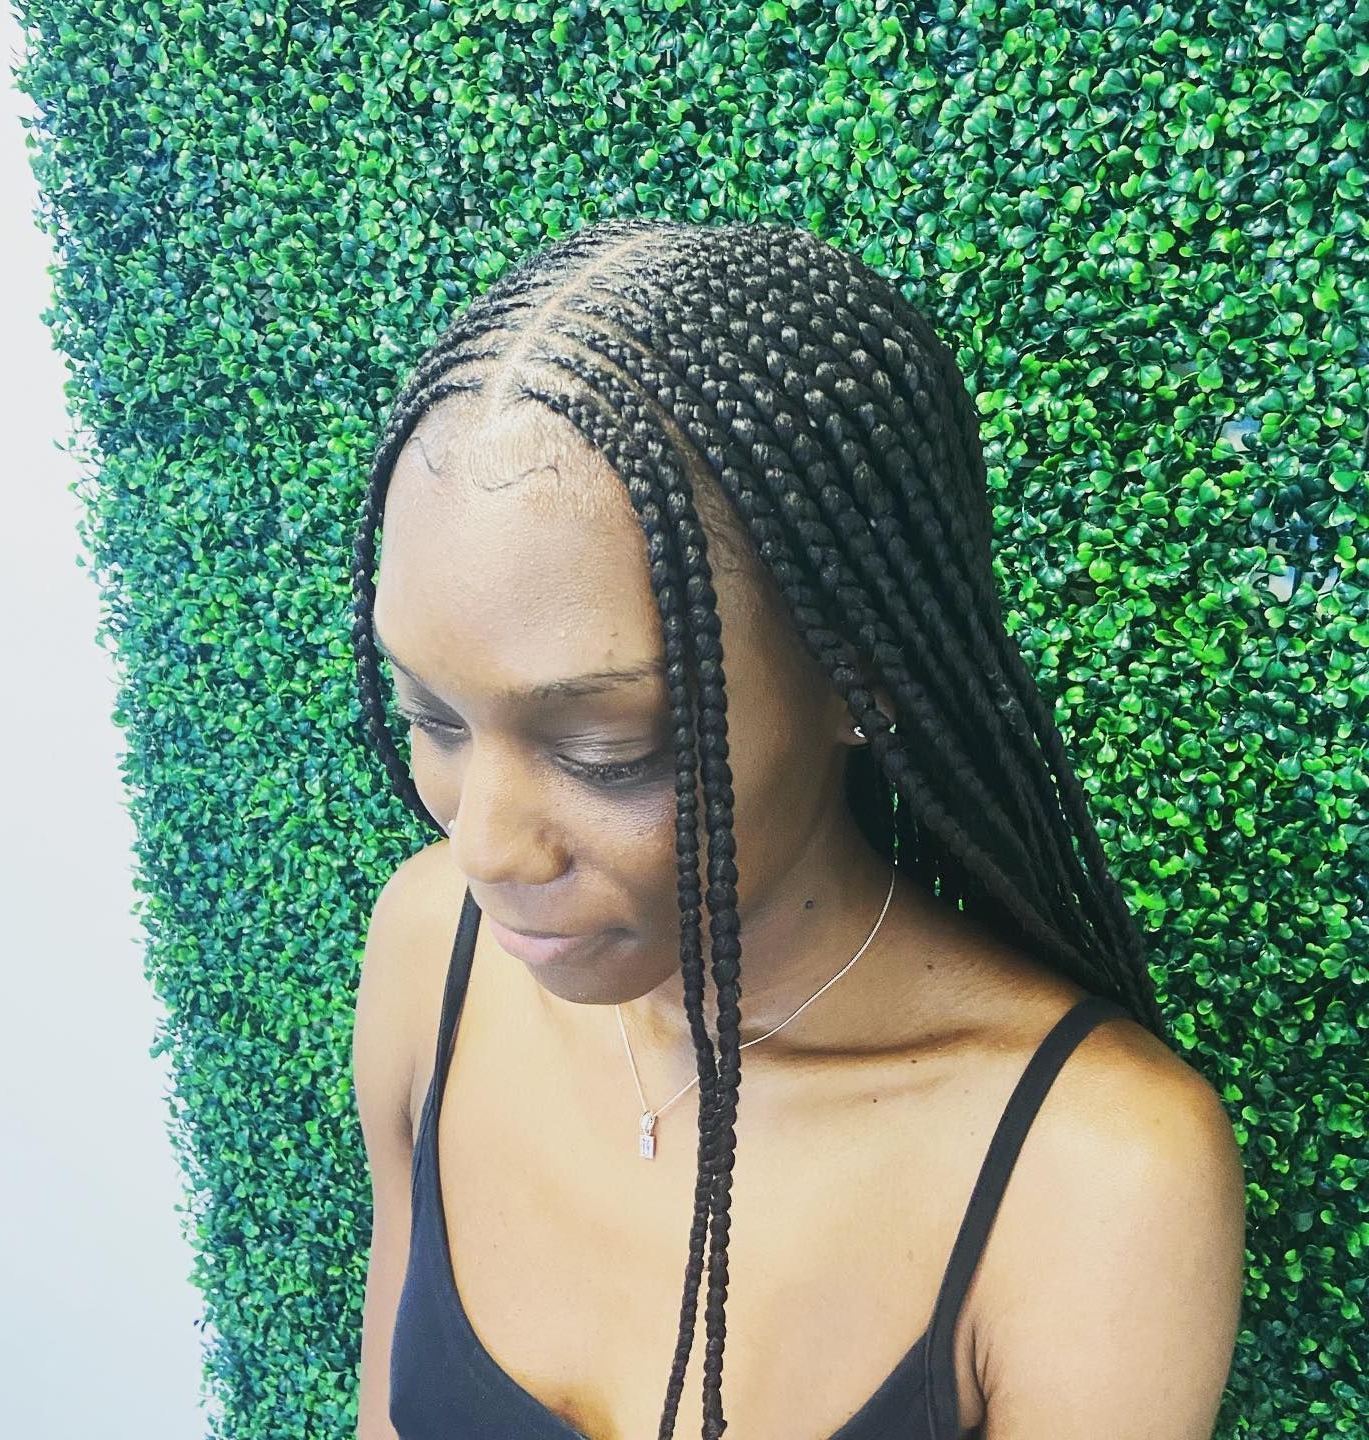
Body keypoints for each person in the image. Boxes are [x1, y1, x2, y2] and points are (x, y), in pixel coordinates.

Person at [348, 218, 1245, 1440]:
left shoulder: (1090, 1175)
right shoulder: (430, 953)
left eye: (604, 748)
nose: (486, 848)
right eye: (433, 718)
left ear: (858, 679)